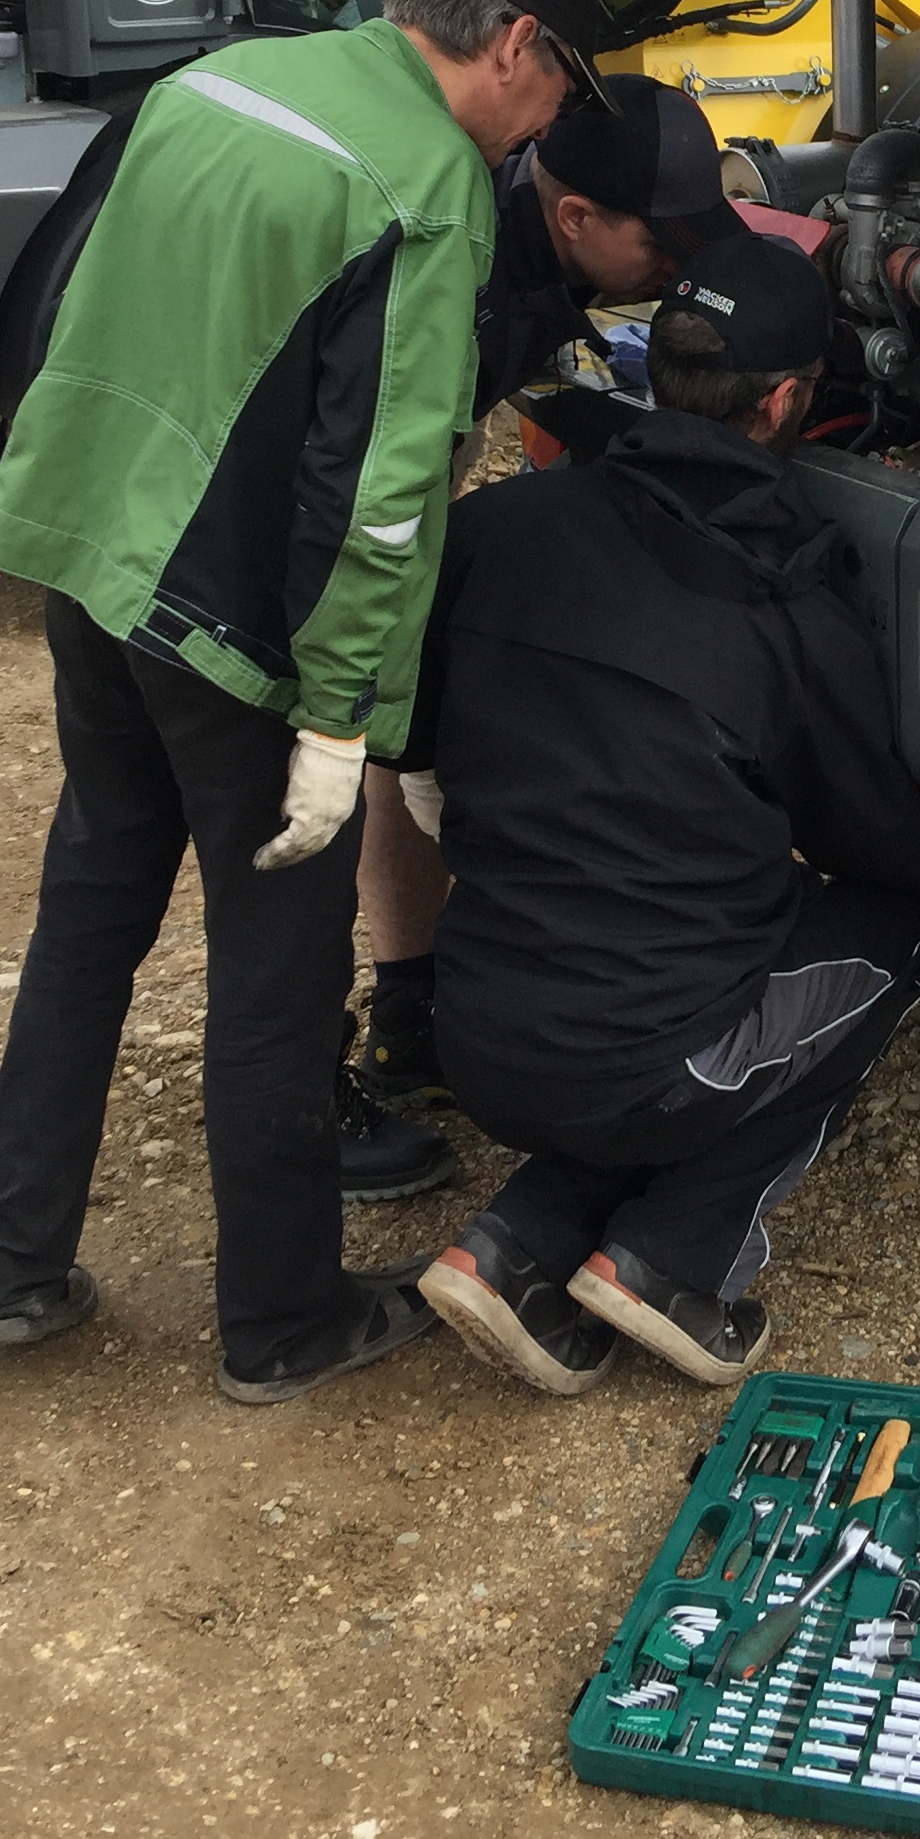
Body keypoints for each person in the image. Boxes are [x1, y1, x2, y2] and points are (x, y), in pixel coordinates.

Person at [0, 0, 606, 1404]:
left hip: (88, 556)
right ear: (516, 45)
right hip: (226, 631)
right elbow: (377, 493)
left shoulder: (218, 82)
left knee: (89, 912)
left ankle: (12, 1267)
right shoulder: (427, 186)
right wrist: (340, 718)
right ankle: (284, 1320)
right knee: (277, 973)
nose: (549, 126)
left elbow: (70, 303)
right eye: (561, 88)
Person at [403, 233, 920, 1396]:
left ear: (657, 371)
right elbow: (878, 853)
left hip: (478, 1034)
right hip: (639, 1066)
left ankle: (512, 1243)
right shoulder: (785, 607)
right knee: (889, 936)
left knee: (646, 1001)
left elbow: (406, 738)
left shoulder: (500, 530)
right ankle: (672, 1262)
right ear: (785, 402)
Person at [354, 75, 740, 1112]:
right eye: (660, 244)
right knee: (390, 723)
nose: (675, 268)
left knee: (404, 716)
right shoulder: (463, 271)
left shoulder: (536, 239)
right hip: (357, 494)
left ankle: (422, 1003)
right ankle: (399, 1021)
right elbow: (377, 473)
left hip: (410, 451)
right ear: (574, 217)